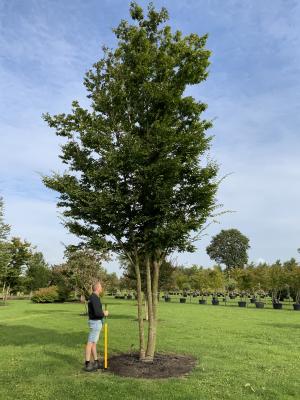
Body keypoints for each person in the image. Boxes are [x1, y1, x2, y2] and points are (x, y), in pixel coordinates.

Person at [84, 281, 109, 372]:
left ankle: (96, 361)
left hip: (95, 322)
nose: (102, 288)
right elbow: (97, 313)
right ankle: (87, 364)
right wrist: (104, 313)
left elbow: (97, 310)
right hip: (95, 323)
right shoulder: (94, 298)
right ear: (97, 288)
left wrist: (101, 312)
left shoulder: (94, 297)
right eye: (101, 287)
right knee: (90, 342)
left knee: (94, 343)